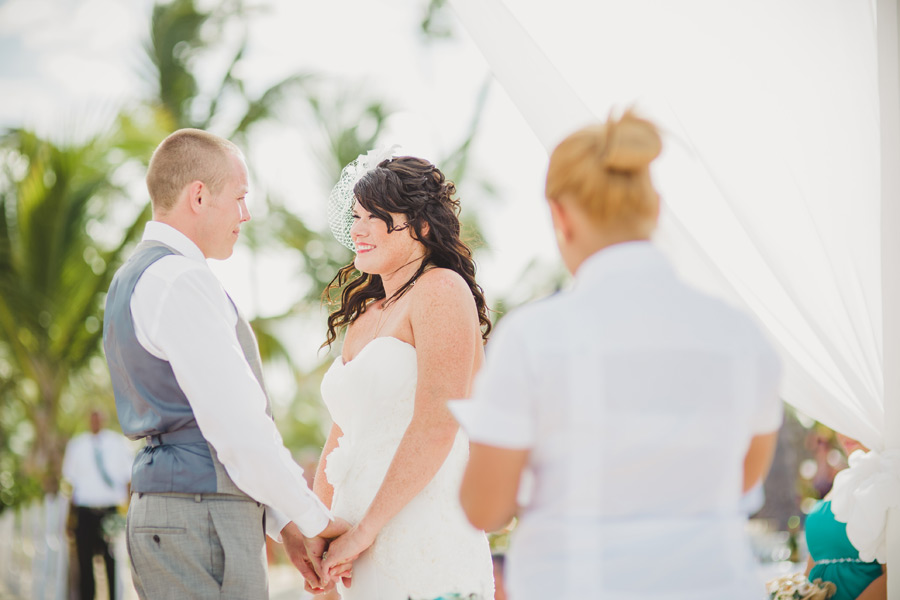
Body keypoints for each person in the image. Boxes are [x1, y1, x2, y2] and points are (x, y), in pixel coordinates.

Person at [450, 111, 783, 599]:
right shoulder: (743, 337)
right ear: (656, 208)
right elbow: (739, 480)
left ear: (560, 216)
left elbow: (484, 508)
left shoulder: (533, 338)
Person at [102, 128, 348, 599]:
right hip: (201, 515)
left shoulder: (132, 277)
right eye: (238, 197)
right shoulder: (181, 278)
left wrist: (284, 527)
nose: (245, 214)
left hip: (174, 509)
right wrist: (312, 519)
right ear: (198, 196)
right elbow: (237, 428)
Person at [312, 152, 494, 598]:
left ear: (422, 226)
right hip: (355, 543)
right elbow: (340, 435)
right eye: (356, 216)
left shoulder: (442, 289)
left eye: (376, 217)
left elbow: (438, 422)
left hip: (420, 536)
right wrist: (317, 531)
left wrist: (364, 531)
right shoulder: (366, 316)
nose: (358, 229)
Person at [804, 433, 886, 600]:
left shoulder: (888, 483)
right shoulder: (842, 482)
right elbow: (814, 565)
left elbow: (893, 576)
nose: (845, 433)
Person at [62, 409, 133, 600]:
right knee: (85, 563)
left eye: (99, 418)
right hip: (84, 511)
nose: (95, 422)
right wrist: (69, 518)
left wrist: (129, 513)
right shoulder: (77, 445)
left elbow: (128, 479)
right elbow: (70, 485)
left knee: (112, 561)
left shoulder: (118, 443)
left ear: (104, 420)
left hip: (110, 511)